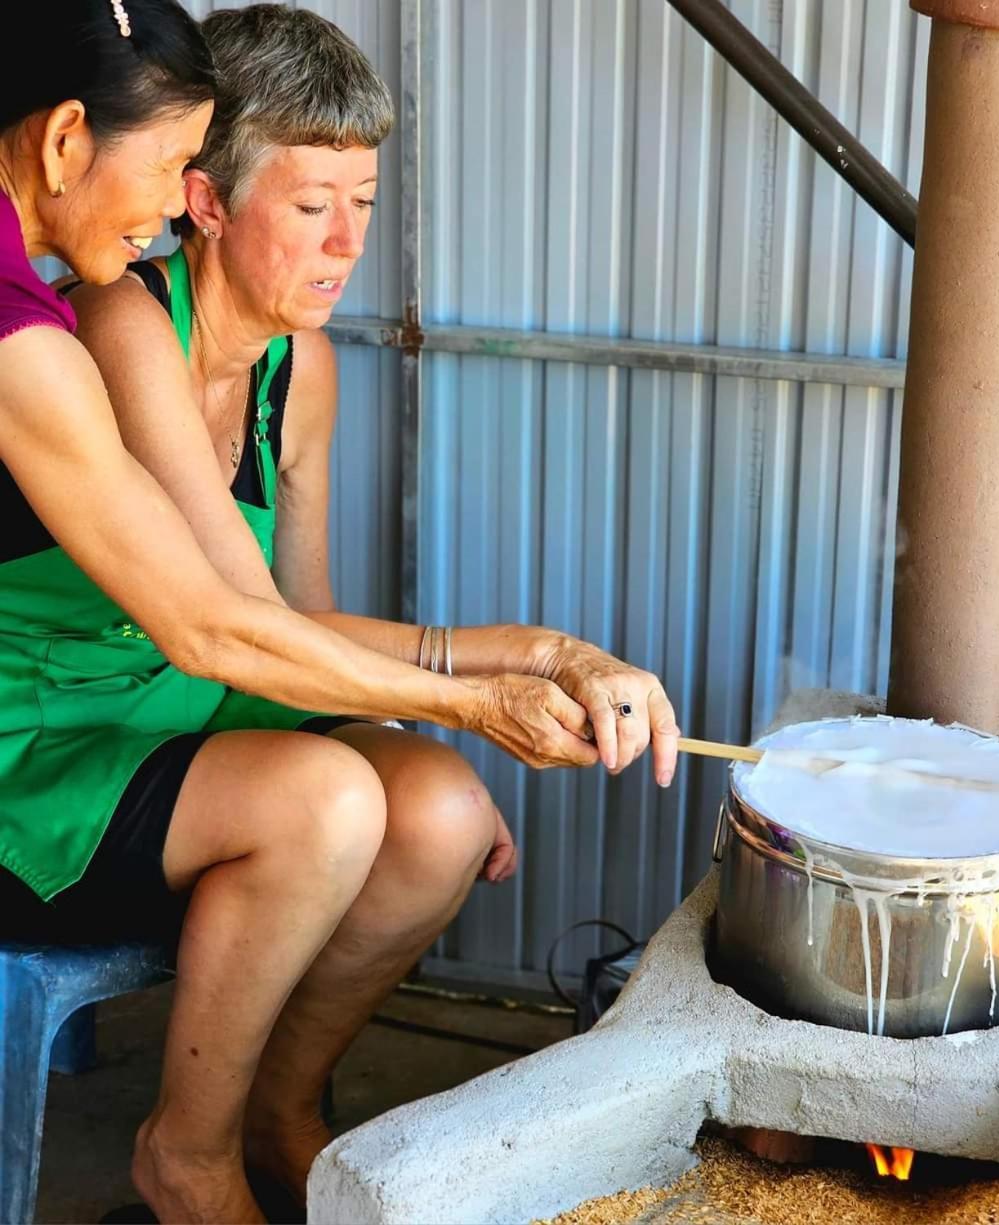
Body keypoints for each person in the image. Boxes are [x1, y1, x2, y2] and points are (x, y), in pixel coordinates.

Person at [1, 3, 681, 1221]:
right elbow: (220, 626)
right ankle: (187, 1152)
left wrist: (539, 667)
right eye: (313, 204)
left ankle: (277, 1107)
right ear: (195, 195)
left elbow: (290, 629)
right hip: (39, 760)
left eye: (364, 203)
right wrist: (483, 696)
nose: (347, 240)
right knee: (328, 799)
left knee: (430, 807)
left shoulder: (288, 367)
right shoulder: (91, 328)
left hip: (178, 720)